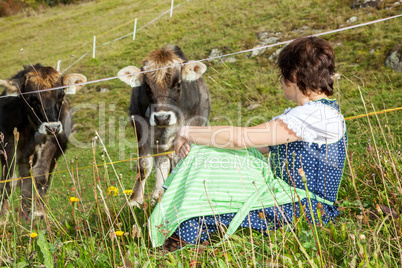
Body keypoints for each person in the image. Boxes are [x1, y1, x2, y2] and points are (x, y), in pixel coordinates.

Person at [148, 36, 347, 251]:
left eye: (282, 75)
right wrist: (201, 147)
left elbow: (242, 138)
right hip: (286, 198)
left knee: (212, 210)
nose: (281, 82)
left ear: (294, 75)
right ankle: (185, 232)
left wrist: (188, 131)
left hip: (308, 207)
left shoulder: (317, 115)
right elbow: (250, 147)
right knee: (209, 153)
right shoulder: (307, 114)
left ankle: (179, 241)